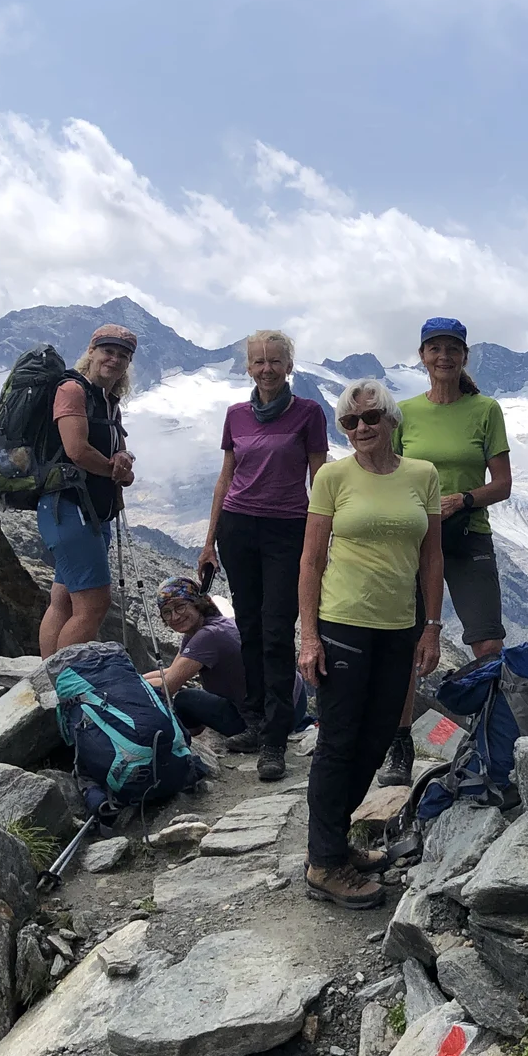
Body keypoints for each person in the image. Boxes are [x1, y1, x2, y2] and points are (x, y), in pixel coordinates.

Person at [297, 377, 443, 908]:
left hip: (400, 626)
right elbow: (311, 559)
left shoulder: (422, 476)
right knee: (338, 741)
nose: (360, 428)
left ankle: (332, 846)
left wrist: (432, 626)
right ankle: (323, 863)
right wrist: (308, 635)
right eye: (350, 422)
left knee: (379, 734)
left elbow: (431, 558)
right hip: (342, 624)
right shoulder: (333, 477)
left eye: (371, 418)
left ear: (391, 421)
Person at [378, 315, 511, 784]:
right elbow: (386, 471)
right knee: (406, 644)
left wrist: (464, 499)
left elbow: (503, 484)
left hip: (467, 532)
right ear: (422, 357)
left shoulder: (485, 410)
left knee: (487, 643)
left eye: (452, 348)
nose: (444, 356)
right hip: (414, 539)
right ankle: (400, 748)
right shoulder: (404, 413)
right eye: (435, 348)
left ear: (464, 356)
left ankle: (493, 741)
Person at [197, 330, 329, 779]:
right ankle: (255, 720)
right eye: (258, 361)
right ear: (248, 367)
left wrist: (321, 539)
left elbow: (320, 480)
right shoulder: (235, 415)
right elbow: (225, 479)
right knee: (249, 628)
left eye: (275, 360)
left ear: (289, 366)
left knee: (276, 631)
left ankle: (275, 738)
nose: (267, 368)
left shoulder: (309, 413)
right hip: (238, 528)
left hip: (287, 531)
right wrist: (209, 540)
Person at [37, 324, 137, 657]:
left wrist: (123, 460)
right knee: (94, 603)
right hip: (69, 508)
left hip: (87, 511)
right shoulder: (72, 389)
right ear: (91, 351)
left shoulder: (108, 401)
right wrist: (114, 470)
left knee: (64, 600)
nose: (115, 359)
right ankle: (67, 686)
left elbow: (116, 448)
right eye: (108, 351)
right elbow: (77, 449)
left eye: (123, 355)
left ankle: (48, 679)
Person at [142, 575, 251, 741]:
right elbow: (173, 671)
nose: (175, 617)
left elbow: (167, 686)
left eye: (180, 607)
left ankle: (187, 736)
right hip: (290, 703)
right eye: (167, 612)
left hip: (257, 719)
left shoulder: (207, 636)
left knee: (185, 699)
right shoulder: (209, 625)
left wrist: (127, 686)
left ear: (197, 604)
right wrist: (136, 679)